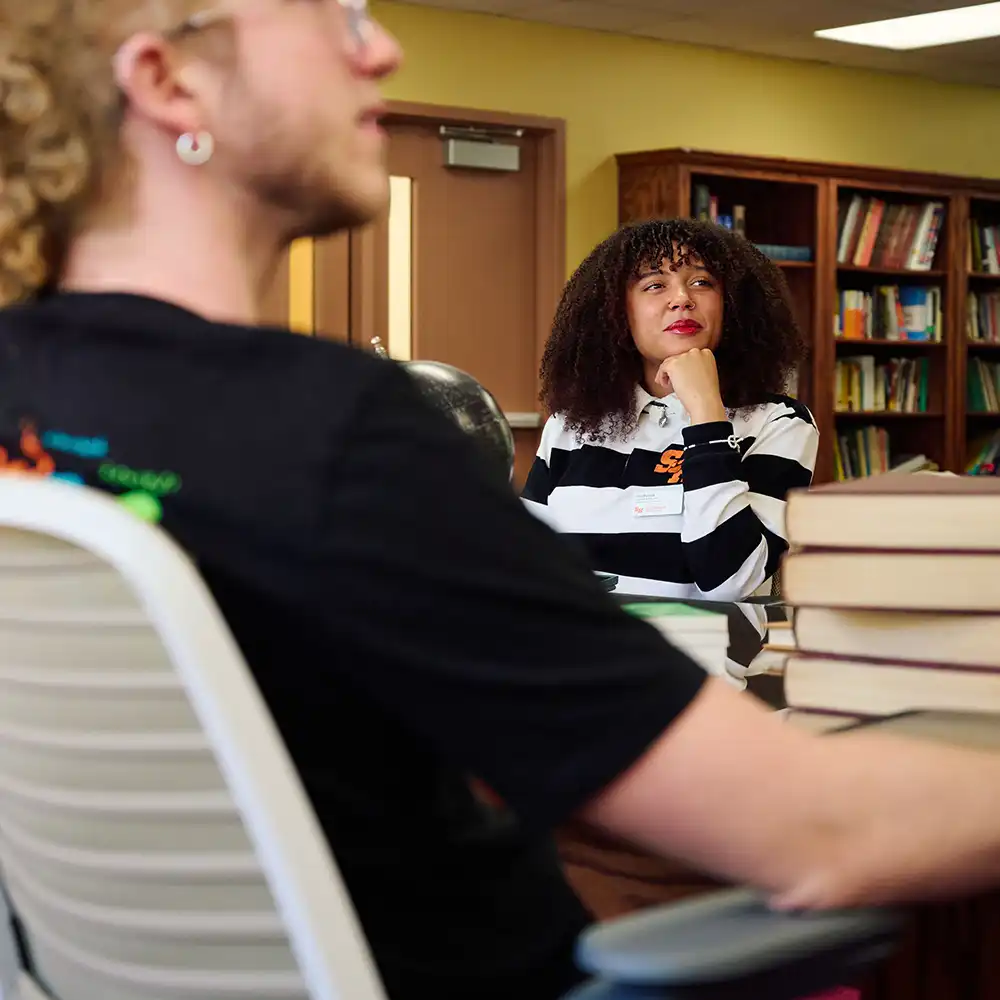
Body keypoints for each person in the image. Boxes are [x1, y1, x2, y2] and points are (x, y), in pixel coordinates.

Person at [4, 3, 1000, 999]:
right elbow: (816, 831)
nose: (381, 46)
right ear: (168, 80)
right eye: (334, 16)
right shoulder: (341, 431)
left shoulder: (24, 390)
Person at [523, 219, 818, 602]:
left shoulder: (777, 422)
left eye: (702, 282)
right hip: (579, 650)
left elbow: (730, 582)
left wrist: (706, 412)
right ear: (615, 311)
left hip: (699, 656)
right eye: (655, 285)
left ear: (732, 304)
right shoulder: (570, 426)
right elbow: (526, 564)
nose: (681, 299)